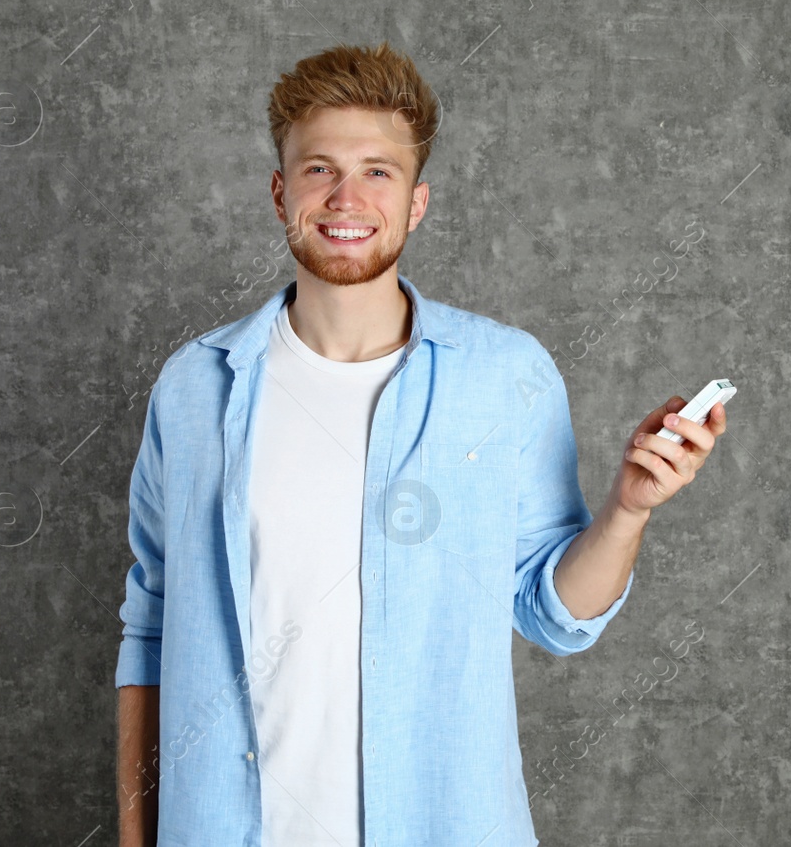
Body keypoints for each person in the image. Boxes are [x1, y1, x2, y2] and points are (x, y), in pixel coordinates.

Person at [113, 41, 729, 847]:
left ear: (416, 202)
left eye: (378, 170)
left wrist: (626, 510)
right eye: (318, 168)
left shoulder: (506, 376)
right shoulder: (194, 387)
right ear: (279, 192)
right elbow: (150, 631)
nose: (346, 196)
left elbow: (554, 612)